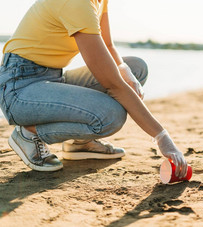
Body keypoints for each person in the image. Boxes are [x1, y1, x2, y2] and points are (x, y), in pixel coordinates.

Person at [0, 0, 187, 178]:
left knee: (136, 68)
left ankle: (80, 143)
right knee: (110, 116)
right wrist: (162, 137)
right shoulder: (77, 3)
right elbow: (114, 86)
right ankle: (29, 133)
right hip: (19, 88)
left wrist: (124, 69)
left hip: (53, 78)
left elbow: (107, 45)